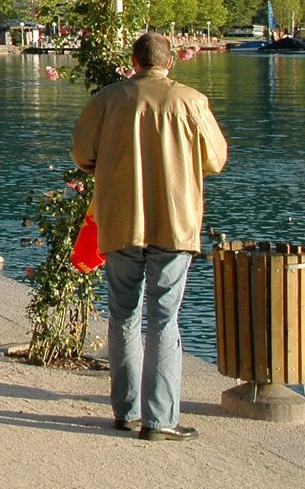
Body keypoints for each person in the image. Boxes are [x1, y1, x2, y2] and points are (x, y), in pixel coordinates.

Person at [71, 32, 227, 442]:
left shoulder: (108, 99)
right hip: (174, 224)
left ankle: (126, 410)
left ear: (133, 61)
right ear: (170, 62)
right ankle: (160, 420)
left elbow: (82, 151)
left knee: (123, 315)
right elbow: (215, 158)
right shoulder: (192, 102)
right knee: (164, 318)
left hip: (120, 220)